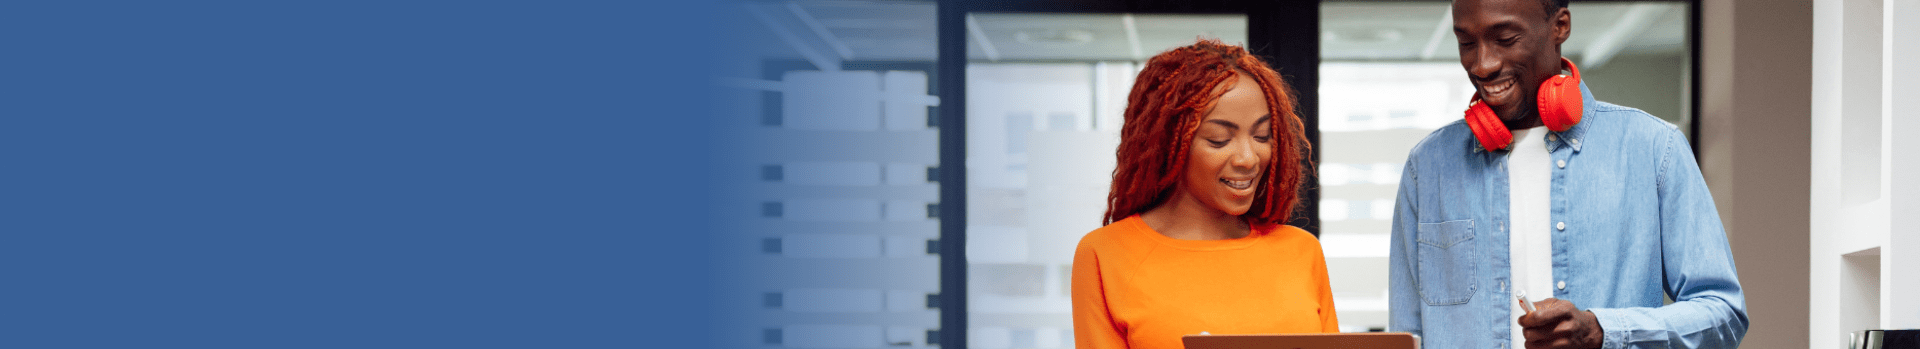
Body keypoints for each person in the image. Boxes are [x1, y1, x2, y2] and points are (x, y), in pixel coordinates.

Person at [1387, 0, 1748, 348]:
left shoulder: (1653, 148)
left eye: (1505, 39)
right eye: (1466, 43)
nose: (1483, 65)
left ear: (1560, 26)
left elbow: (1723, 313)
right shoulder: (1428, 167)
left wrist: (1602, 331)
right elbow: (1407, 335)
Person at [1071, 39, 1334, 349]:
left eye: (1263, 136)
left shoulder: (1302, 252)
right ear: (1170, 144)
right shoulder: (1104, 254)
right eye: (1219, 140)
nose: (1248, 158)